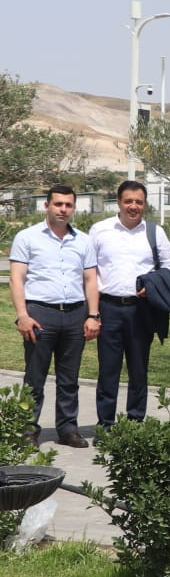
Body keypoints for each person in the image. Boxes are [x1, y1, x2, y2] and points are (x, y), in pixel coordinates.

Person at [8, 185, 100, 447]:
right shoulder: (27, 237)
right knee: (34, 377)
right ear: (46, 205)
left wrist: (93, 315)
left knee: (69, 379)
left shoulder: (83, 241)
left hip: (74, 314)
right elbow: (16, 278)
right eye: (58, 204)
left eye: (68, 205)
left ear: (74, 208)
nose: (63, 209)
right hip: (40, 314)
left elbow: (90, 280)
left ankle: (68, 429)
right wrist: (22, 315)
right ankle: (27, 430)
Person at [89, 179, 170, 434]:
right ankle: (106, 425)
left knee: (139, 369)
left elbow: (169, 266)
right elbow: (89, 270)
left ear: (145, 204)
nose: (133, 206)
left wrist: (154, 286)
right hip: (109, 308)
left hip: (141, 310)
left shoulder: (155, 232)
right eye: (128, 201)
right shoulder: (100, 230)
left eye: (139, 202)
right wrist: (92, 312)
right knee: (108, 370)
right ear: (118, 202)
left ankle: (135, 424)